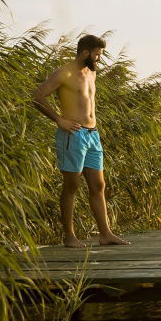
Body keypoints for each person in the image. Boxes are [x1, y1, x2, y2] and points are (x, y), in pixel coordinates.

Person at [32, 34, 130, 248]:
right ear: (84, 52)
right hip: (72, 135)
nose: (98, 59)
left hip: (92, 135)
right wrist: (59, 119)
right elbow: (37, 96)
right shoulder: (64, 73)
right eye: (96, 54)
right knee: (72, 186)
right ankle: (69, 237)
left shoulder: (91, 73)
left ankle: (105, 234)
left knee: (98, 185)